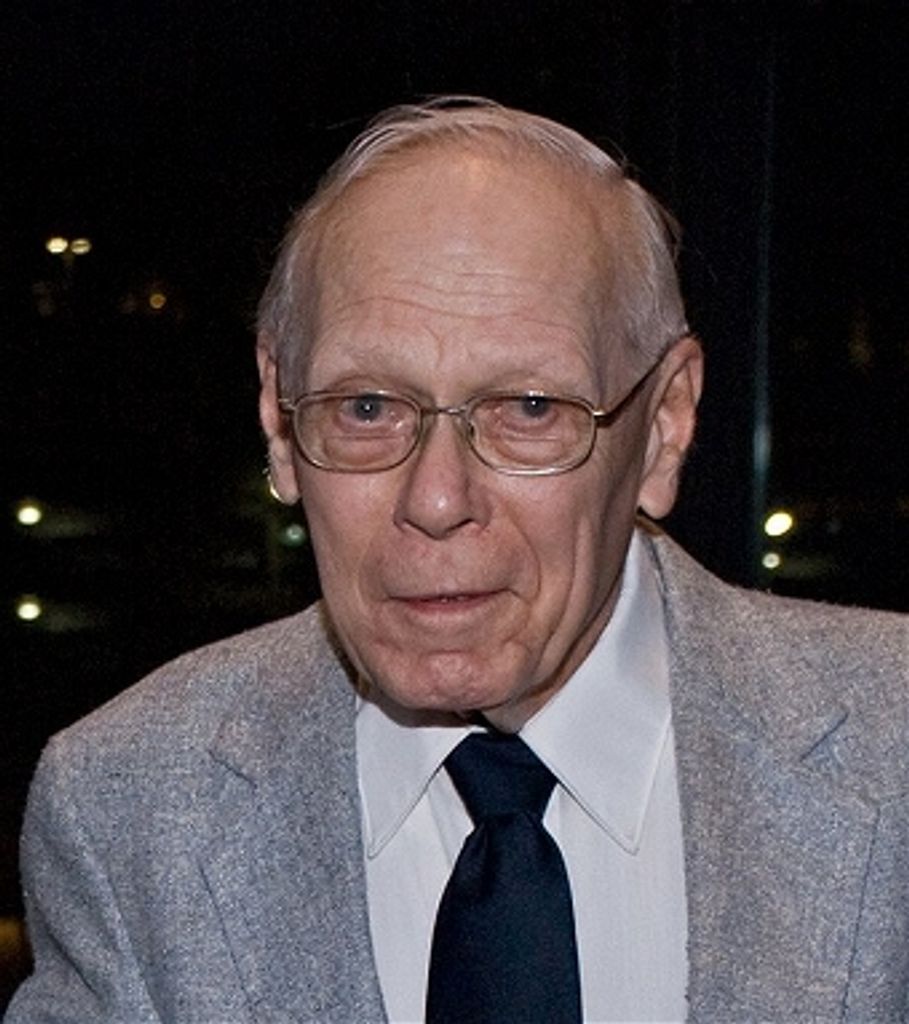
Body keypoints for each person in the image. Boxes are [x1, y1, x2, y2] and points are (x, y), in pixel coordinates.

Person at [6, 97, 908, 1024]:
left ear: (664, 425)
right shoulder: (126, 807)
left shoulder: (893, 745)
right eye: (365, 408)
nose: (436, 500)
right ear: (279, 420)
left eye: (528, 409)